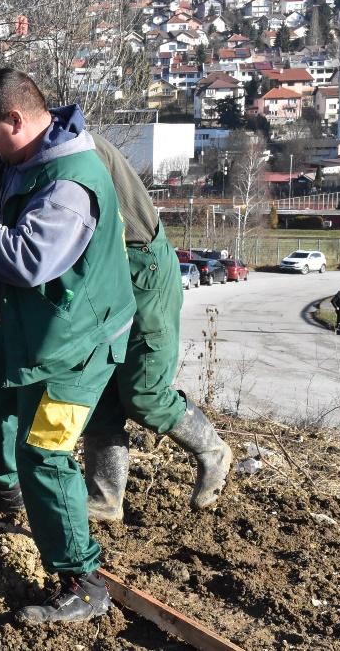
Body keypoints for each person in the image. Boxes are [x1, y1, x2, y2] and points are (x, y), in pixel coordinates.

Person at [0, 68, 136, 625]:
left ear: (17, 120)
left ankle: (82, 579)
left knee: (43, 453)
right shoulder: (26, 158)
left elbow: (26, 260)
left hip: (76, 345)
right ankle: (1, 490)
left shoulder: (68, 185)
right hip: (33, 322)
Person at [81, 135, 232, 522]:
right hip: (103, 273)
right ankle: (104, 498)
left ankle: (214, 452)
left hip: (141, 268)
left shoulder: (79, 150)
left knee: (144, 393)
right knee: (99, 387)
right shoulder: (45, 152)